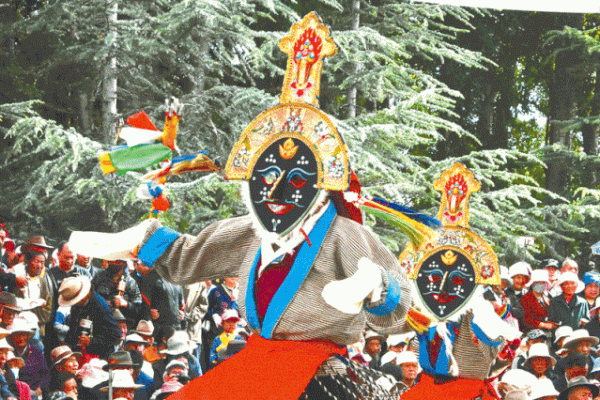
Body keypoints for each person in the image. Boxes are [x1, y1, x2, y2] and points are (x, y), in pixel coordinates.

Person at [69, 13, 412, 400]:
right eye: (266, 177)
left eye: (297, 180)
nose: (277, 190)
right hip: (257, 363)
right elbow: (188, 256)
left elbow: (397, 304)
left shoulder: (344, 235)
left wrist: (375, 287)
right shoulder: (250, 232)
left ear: (321, 184)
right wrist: (140, 240)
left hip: (319, 374)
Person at [60, 276, 122, 360]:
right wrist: (67, 344)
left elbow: (116, 336)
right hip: (80, 353)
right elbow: (73, 326)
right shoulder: (77, 306)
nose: (73, 304)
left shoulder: (101, 307)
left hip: (99, 357)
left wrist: (92, 341)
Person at [92, 260, 141, 330]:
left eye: (117, 262)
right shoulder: (99, 276)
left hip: (120, 325)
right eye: (111, 261)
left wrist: (125, 304)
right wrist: (103, 303)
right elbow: (90, 296)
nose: (113, 263)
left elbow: (138, 309)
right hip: (99, 321)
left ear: (123, 263)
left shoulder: (131, 282)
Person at [8, 317, 48, 399]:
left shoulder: (36, 351)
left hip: (35, 392)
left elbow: (45, 374)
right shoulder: (8, 353)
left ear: (28, 336)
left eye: (23, 334)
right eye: (17, 335)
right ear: (12, 336)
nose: (21, 338)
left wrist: (39, 388)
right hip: (15, 393)